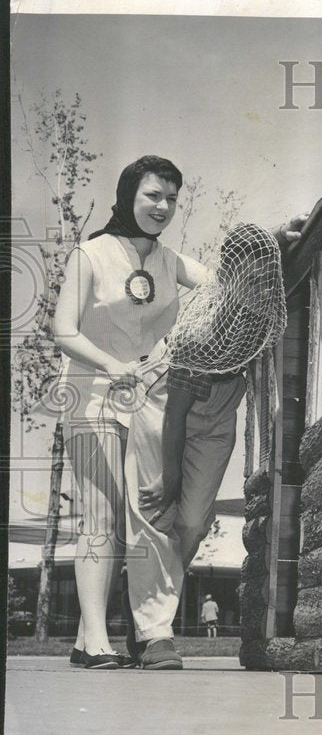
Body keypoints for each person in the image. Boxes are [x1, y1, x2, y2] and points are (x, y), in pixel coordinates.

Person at [125, 221, 304, 669]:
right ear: (230, 278)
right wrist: (169, 478)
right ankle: (155, 633)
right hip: (168, 401)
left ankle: (149, 609)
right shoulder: (199, 329)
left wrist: (280, 239)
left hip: (222, 405)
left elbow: (264, 257)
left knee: (193, 521)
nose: (259, 283)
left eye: (265, 275)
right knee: (156, 511)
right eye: (249, 276)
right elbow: (175, 418)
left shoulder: (265, 305)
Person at [52, 155, 208, 669]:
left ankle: (89, 639)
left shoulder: (170, 261)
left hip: (147, 404)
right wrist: (112, 363)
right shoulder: (90, 254)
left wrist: (276, 241)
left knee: (145, 520)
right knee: (100, 520)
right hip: (92, 396)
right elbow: (64, 330)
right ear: (128, 196)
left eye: (171, 199)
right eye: (152, 196)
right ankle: (96, 640)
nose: (162, 207)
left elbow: (224, 281)